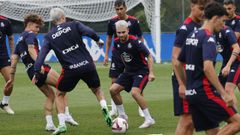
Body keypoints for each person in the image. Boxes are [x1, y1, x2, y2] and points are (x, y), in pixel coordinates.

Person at [33, 8, 112, 135]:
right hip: (87, 65)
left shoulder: (49, 36)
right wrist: (97, 39)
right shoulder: (74, 24)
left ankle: (62, 124)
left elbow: (41, 56)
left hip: (70, 70)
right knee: (97, 90)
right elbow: (89, 31)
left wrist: (37, 71)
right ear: (63, 17)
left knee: (59, 94)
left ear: (53, 22)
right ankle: (104, 107)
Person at [5, 14, 78, 131]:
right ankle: (67, 115)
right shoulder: (30, 35)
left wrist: (11, 79)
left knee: (50, 96)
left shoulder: (19, 40)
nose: (38, 30)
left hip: (30, 73)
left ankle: (49, 124)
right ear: (30, 24)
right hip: (39, 68)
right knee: (63, 86)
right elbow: (31, 49)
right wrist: (39, 64)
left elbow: (13, 61)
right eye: (37, 27)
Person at [176, 2, 240, 134]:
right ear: (215, 18)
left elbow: (177, 63)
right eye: (222, 21)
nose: (223, 25)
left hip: (192, 94)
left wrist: (185, 85)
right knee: (237, 122)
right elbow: (207, 68)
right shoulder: (208, 38)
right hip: (205, 93)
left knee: (213, 130)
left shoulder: (192, 35)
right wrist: (223, 94)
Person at [171, 0, 211, 134]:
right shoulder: (185, 28)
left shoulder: (201, 26)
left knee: (192, 120)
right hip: (183, 79)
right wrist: (181, 84)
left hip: (194, 80)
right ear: (192, 6)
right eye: (201, 8)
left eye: (205, 9)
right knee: (187, 119)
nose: (203, 12)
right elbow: (175, 58)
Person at [109, 20, 155, 128]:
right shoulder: (116, 42)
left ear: (128, 30)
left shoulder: (135, 42)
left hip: (142, 71)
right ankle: (122, 116)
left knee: (135, 93)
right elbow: (119, 57)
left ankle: (149, 119)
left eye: (123, 32)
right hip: (128, 72)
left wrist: (151, 73)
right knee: (113, 90)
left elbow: (149, 56)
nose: (121, 35)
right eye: (118, 32)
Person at [104, 0, 145, 117]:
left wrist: (143, 53)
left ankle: (141, 108)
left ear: (125, 8)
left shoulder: (133, 21)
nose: (119, 11)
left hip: (133, 56)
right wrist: (106, 55)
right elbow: (109, 39)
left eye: (121, 9)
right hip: (117, 55)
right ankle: (114, 109)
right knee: (113, 81)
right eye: (117, 9)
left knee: (137, 80)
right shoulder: (112, 22)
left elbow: (140, 38)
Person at [215, 25, 240, 110]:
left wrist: (228, 66)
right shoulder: (209, 33)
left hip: (237, 62)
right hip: (226, 62)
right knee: (218, 89)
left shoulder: (226, 31)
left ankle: (236, 119)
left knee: (228, 89)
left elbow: (237, 48)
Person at [0, 15, 15, 114]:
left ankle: (4, 103)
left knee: (10, 81)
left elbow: (11, 38)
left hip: (3, 57)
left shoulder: (5, 21)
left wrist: (13, 54)